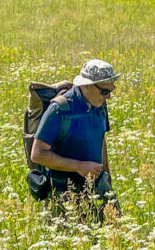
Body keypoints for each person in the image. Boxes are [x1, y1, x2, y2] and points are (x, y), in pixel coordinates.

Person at [29, 59, 120, 221]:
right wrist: (79, 166)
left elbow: (101, 140)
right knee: (69, 242)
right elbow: (37, 154)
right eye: (105, 91)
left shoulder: (100, 105)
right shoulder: (59, 109)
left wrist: (107, 178)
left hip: (97, 186)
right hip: (64, 193)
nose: (109, 97)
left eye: (111, 90)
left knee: (113, 235)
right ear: (87, 86)